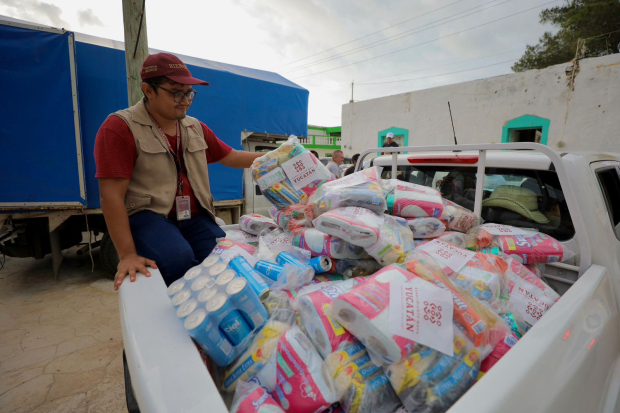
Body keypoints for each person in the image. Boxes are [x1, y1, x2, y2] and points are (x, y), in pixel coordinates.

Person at [94, 53, 263, 290]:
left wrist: (280, 156)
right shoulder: (120, 127)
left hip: (194, 216)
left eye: (189, 92)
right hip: (149, 215)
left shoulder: (194, 127)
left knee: (226, 260)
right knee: (177, 260)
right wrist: (127, 255)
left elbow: (231, 157)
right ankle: (183, 316)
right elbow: (110, 195)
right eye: (176, 92)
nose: (185, 100)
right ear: (148, 90)